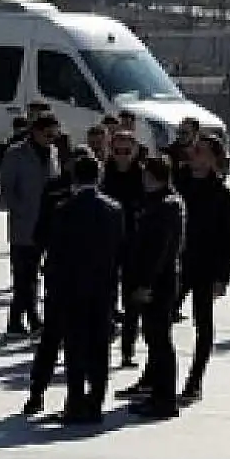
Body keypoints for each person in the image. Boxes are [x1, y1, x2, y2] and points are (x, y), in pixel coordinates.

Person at [27, 154, 125, 423]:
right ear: (99, 175)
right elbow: (120, 250)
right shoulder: (114, 209)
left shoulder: (63, 208)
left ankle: (74, 400)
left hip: (69, 286)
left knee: (72, 344)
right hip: (102, 286)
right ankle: (95, 402)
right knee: (99, 345)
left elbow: (53, 248)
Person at [175, 136, 230, 403]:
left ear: (213, 158)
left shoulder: (221, 195)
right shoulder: (179, 184)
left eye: (200, 151)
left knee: (203, 324)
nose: (194, 153)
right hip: (177, 265)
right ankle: (155, 376)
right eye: (194, 149)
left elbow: (229, 239)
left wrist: (223, 276)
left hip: (205, 267)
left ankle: (194, 380)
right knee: (159, 321)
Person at [122, 155, 184, 420]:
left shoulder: (165, 207)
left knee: (159, 339)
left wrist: (145, 283)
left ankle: (165, 398)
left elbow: (158, 251)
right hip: (162, 278)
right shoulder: (162, 203)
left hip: (159, 281)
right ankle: (158, 394)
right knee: (156, 338)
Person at [0, 114, 61, 336]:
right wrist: (20, 209)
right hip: (25, 223)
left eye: (54, 135)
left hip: (47, 223)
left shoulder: (53, 153)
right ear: (35, 131)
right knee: (23, 276)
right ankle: (19, 319)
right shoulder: (16, 154)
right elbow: (6, 187)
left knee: (36, 274)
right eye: (47, 134)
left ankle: (30, 318)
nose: (51, 139)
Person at [103, 130, 148, 369]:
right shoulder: (104, 175)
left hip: (134, 245)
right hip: (108, 244)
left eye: (126, 151)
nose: (121, 156)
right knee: (105, 298)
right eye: (117, 151)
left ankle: (128, 350)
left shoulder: (142, 176)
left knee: (132, 301)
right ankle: (103, 342)